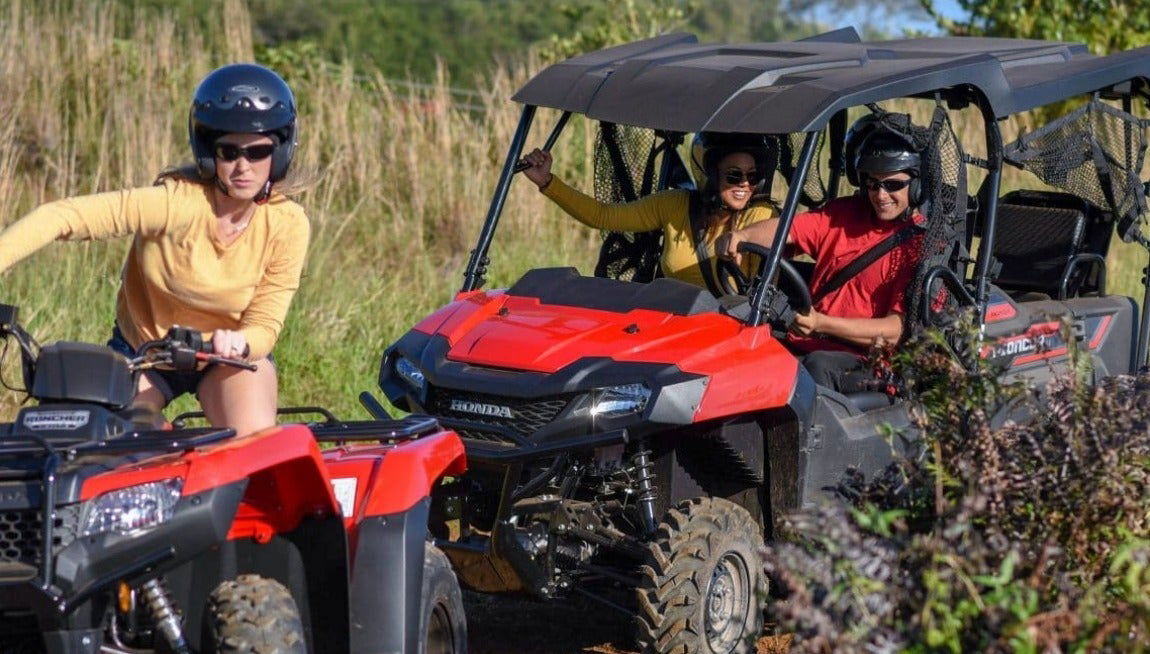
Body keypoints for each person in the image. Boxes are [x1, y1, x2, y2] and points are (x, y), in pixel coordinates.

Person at [0, 63, 310, 436]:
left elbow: (264, 325)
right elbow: (63, 216)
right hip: (146, 353)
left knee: (254, 444)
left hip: (224, 356)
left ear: (279, 153)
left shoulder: (288, 224)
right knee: (113, 449)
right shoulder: (175, 203)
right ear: (208, 152)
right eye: (229, 152)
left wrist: (240, 342)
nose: (243, 166)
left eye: (258, 152)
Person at [717, 120, 925, 394]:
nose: (880, 195)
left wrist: (822, 323)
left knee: (816, 367)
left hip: (869, 362)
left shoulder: (920, 244)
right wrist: (742, 236)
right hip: (808, 341)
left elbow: (894, 331)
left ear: (917, 185)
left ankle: (802, 437)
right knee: (740, 350)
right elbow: (787, 229)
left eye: (893, 185)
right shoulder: (843, 214)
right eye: (873, 184)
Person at [520, 133, 778, 292]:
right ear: (709, 175)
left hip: (727, 337)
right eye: (734, 175)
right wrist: (548, 183)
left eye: (752, 176)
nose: (745, 184)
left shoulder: (760, 217)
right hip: (667, 328)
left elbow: (792, 234)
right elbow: (604, 216)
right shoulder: (674, 205)